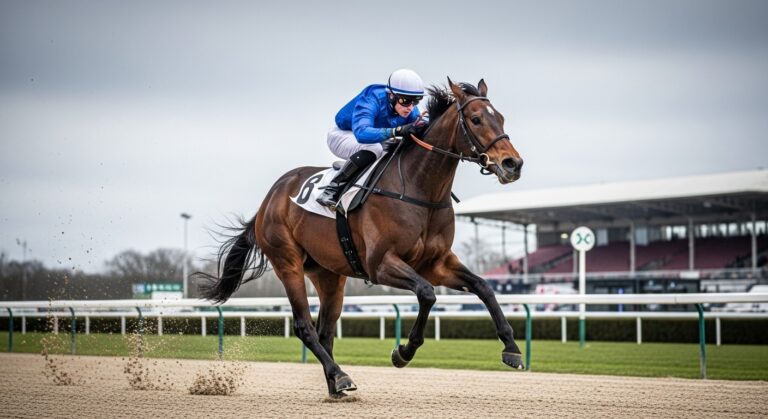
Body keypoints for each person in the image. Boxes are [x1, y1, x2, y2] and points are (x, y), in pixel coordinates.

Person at [316, 68, 429, 209]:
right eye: (406, 101)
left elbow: (424, 123)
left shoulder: (408, 108)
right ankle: (332, 189)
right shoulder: (371, 99)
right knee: (375, 148)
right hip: (344, 134)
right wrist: (397, 130)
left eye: (416, 102)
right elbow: (362, 133)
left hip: (371, 139)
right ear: (391, 96)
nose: (410, 108)